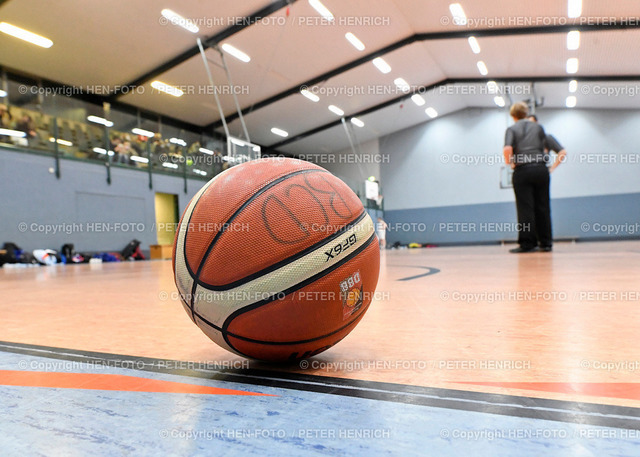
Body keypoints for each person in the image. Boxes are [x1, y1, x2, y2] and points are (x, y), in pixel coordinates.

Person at [503, 102, 552, 253]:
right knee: (543, 206)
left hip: (522, 170)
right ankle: (546, 243)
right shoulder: (538, 127)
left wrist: (510, 163)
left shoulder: (511, 129)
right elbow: (545, 147)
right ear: (526, 113)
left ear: (513, 116)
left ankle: (527, 243)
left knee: (525, 208)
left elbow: (507, 149)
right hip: (540, 169)